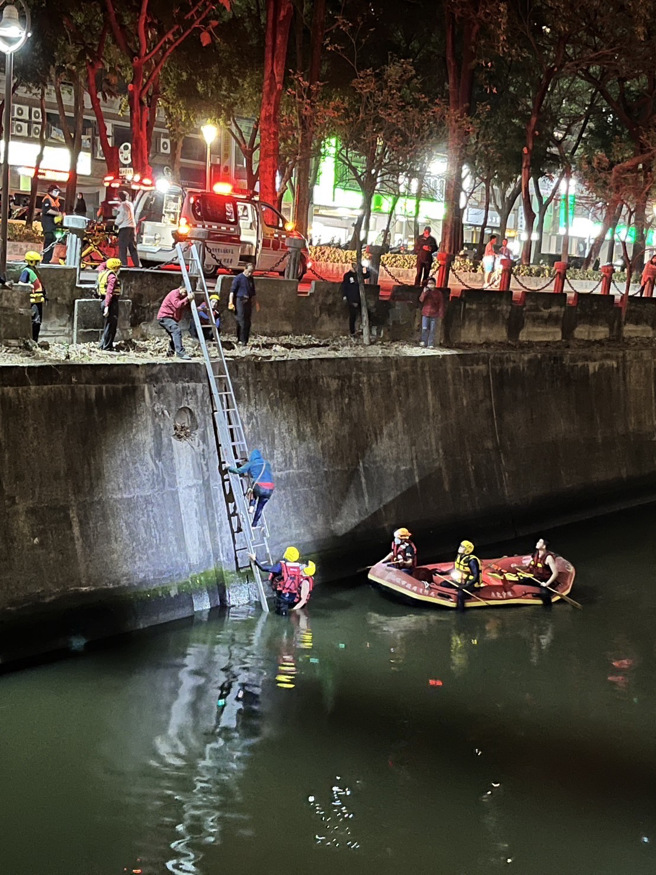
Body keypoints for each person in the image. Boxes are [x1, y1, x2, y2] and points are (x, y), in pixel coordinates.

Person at [249, 546, 303, 614]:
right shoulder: (297, 567)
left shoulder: (282, 566)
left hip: (283, 596)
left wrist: (255, 559)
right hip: (293, 596)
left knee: (281, 614)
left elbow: (263, 568)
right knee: (286, 611)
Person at [228, 449, 275, 527]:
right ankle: (254, 524)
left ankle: (252, 505)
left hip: (260, 487)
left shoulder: (251, 463)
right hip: (270, 489)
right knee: (260, 507)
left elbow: (238, 471)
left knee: (251, 489)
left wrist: (229, 468)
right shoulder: (267, 463)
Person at [157, 285, 195, 359]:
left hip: (170, 318)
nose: (185, 294)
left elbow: (185, 306)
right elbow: (177, 305)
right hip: (164, 316)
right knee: (176, 330)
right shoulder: (174, 293)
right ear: (181, 288)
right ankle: (180, 353)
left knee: (174, 334)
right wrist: (187, 298)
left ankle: (170, 353)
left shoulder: (182, 297)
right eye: (184, 292)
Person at [19, 250, 47, 341]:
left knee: (38, 322)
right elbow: (21, 283)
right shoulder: (26, 271)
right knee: (35, 321)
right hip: (33, 300)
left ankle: (35, 340)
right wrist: (29, 285)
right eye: (36, 261)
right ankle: (32, 340)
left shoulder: (34, 270)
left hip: (38, 299)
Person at [228, 262, 258, 344]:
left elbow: (253, 292)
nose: (250, 273)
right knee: (241, 320)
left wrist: (255, 303)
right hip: (240, 300)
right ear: (244, 269)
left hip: (248, 301)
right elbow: (232, 291)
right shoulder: (238, 278)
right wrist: (231, 302)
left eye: (252, 272)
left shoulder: (251, 279)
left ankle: (245, 340)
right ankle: (240, 339)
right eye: (249, 271)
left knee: (247, 321)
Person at [98, 257, 122, 351]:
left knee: (107, 325)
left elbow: (101, 265)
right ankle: (107, 347)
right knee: (111, 326)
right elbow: (109, 292)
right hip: (111, 302)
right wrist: (107, 307)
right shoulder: (112, 277)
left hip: (103, 300)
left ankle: (102, 345)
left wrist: (108, 262)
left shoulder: (103, 272)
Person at [451, 539, 482, 611]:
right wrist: (441, 573)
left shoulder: (472, 561)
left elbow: (476, 577)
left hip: (471, 583)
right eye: (460, 546)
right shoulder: (459, 557)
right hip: (460, 581)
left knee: (460, 594)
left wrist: (465, 586)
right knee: (444, 584)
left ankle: (461, 611)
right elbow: (454, 569)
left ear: (467, 550)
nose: (459, 548)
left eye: (462, 547)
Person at [341, 261, 370, 338]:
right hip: (352, 298)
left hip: (359, 297)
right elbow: (344, 286)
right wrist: (345, 296)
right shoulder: (347, 276)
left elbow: (367, 275)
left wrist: (367, 268)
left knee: (362, 313)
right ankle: (352, 331)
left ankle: (361, 329)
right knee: (352, 315)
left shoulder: (359, 275)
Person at [526, 538, 558, 606]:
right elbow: (528, 566)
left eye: (540, 542)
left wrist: (547, 584)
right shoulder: (535, 554)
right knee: (523, 580)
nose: (537, 543)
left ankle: (548, 608)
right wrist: (517, 566)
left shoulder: (548, 558)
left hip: (546, 581)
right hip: (537, 578)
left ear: (544, 546)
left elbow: (555, 573)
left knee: (544, 594)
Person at [115, 190, 141, 267]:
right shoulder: (130, 204)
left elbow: (120, 218)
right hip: (132, 227)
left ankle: (124, 264)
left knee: (123, 247)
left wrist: (115, 223)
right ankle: (137, 264)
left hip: (124, 228)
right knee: (132, 247)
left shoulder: (121, 206)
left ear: (120, 198)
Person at [419, 277, 446, 348]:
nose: (430, 285)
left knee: (432, 329)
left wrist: (441, 313)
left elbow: (441, 304)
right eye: (429, 283)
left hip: (434, 314)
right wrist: (424, 292)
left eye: (432, 283)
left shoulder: (438, 293)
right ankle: (423, 341)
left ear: (435, 284)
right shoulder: (426, 292)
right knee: (424, 328)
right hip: (425, 313)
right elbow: (421, 299)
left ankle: (430, 343)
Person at [40, 184, 63, 264]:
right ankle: (45, 260)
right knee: (49, 241)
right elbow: (47, 210)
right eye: (56, 191)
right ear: (51, 191)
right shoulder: (47, 199)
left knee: (52, 242)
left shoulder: (54, 200)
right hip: (48, 224)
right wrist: (58, 213)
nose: (57, 193)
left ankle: (48, 260)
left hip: (53, 224)